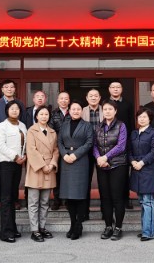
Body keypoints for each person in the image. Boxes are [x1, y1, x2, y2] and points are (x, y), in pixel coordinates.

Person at [58, 101, 94, 240]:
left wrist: (75, 155)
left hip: (81, 161)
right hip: (66, 161)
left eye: (78, 109)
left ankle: (79, 224)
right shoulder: (64, 125)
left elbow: (89, 143)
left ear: (82, 111)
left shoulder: (87, 125)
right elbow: (59, 142)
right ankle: (72, 224)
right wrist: (64, 155)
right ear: (69, 110)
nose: (76, 111)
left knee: (80, 195)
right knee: (69, 196)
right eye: (73, 109)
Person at [94, 100, 129, 241]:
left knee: (117, 197)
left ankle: (118, 227)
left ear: (115, 111)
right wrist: (99, 158)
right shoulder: (98, 126)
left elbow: (121, 146)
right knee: (105, 197)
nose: (107, 111)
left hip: (118, 165)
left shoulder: (121, 125)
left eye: (110, 109)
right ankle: (108, 226)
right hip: (102, 166)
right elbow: (94, 145)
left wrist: (105, 157)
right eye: (105, 109)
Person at [0, 79, 26, 211]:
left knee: (16, 176)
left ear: (15, 89)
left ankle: (15, 200)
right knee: (0, 175)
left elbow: (23, 124)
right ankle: (1, 200)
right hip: (1, 144)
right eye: (6, 87)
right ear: (2, 89)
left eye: (11, 87)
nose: (9, 89)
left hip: (17, 145)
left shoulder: (20, 104)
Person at [25, 106, 59, 242]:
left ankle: (42, 227)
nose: (44, 116)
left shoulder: (52, 132)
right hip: (36, 168)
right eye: (41, 114)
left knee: (45, 201)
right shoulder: (31, 130)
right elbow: (31, 150)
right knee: (33, 202)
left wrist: (52, 164)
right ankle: (35, 230)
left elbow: (56, 150)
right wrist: (43, 165)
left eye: (46, 114)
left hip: (49, 169)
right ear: (37, 116)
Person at [0, 101, 28, 243]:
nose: (15, 110)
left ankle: (12, 228)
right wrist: (15, 157)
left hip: (18, 164)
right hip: (6, 164)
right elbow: (1, 145)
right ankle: (5, 232)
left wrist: (24, 155)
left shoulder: (22, 125)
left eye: (17, 109)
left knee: (13, 196)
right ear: (7, 110)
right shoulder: (2, 126)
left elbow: (24, 144)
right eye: (12, 108)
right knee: (6, 198)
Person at [129, 107, 154, 241]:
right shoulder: (134, 133)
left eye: (144, 117)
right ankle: (147, 229)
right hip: (136, 169)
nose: (141, 119)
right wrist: (132, 161)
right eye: (139, 117)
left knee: (148, 201)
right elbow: (129, 150)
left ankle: (148, 232)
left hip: (148, 169)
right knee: (142, 201)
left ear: (149, 119)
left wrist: (141, 162)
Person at [108, 81, 134, 210]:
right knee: (110, 173)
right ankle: (112, 200)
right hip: (108, 143)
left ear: (121, 89)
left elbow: (131, 123)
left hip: (124, 143)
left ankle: (126, 198)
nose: (115, 89)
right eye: (113, 87)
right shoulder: (106, 104)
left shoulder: (128, 104)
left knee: (123, 173)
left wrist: (130, 141)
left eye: (118, 87)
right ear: (109, 89)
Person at [81, 88, 101, 219]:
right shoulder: (81, 111)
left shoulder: (106, 109)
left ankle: (106, 212)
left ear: (99, 98)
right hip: (86, 151)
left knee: (103, 183)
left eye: (96, 96)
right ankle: (84, 212)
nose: (93, 98)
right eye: (91, 96)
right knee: (85, 182)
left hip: (102, 151)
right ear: (87, 98)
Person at [50, 91, 70, 210]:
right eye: (61, 98)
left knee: (68, 175)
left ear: (69, 100)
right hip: (57, 148)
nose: (63, 100)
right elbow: (51, 131)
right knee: (56, 175)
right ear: (57, 100)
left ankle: (67, 200)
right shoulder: (53, 114)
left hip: (70, 149)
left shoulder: (73, 112)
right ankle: (56, 200)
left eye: (66, 98)